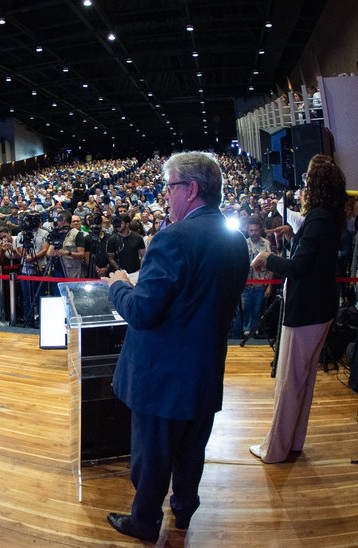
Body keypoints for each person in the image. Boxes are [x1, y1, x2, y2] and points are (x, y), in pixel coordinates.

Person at [102, 152, 248, 541]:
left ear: (192, 189)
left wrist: (117, 284)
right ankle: (182, 516)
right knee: (190, 455)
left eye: (169, 187)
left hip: (161, 376)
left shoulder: (173, 237)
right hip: (205, 373)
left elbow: (142, 312)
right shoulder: (236, 239)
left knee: (151, 458)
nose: (166, 196)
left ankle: (144, 523)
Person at [249, 154, 346, 464]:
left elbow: (300, 268)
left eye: (307, 181)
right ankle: (291, 443)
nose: (303, 187)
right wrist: (292, 237)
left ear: (316, 186)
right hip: (320, 308)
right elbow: (312, 258)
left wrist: (267, 259)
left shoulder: (318, 217)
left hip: (306, 309)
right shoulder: (329, 216)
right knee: (302, 383)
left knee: (290, 383)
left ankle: (274, 449)